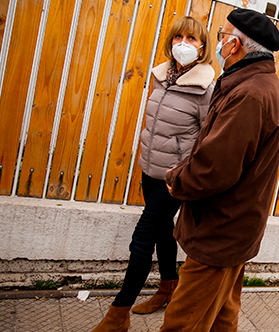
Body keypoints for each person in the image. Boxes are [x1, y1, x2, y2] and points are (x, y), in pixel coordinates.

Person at [158, 8, 279, 331]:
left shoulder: (250, 94)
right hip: (234, 227)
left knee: (182, 322)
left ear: (236, 45)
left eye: (222, 35)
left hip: (220, 230)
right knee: (221, 318)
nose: (218, 41)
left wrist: (176, 179)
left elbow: (215, 167)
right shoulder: (251, 84)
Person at [92, 16, 214, 332]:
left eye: (192, 39)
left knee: (142, 236)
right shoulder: (162, 75)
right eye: (179, 38)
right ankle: (168, 287)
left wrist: (185, 170)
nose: (184, 44)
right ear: (170, 41)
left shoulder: (205, 87)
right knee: (161, 230)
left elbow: (206, 137)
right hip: (149, 167)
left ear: (202, 47)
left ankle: (119, 313)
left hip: (173, 177)